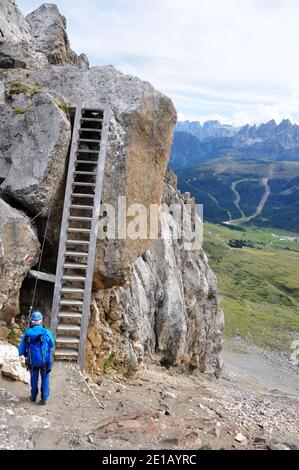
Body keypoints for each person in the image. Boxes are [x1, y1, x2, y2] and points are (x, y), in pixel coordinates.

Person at [18, 311, 55, 405]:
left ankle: (33, 396)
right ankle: (44, 398)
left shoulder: (27, 333)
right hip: (45, 361)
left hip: (32, 361)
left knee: (33, 378)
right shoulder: (46, 332)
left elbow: (20, 350)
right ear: (41, 321)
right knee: (45, 378)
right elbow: (52, 345)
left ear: (32, 321)